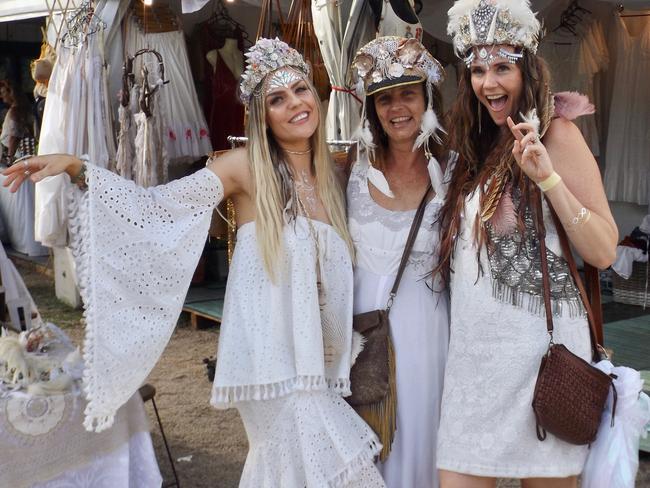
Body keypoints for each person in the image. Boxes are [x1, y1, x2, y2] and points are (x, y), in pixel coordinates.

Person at [4, 38, 385, 487]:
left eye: (301, 90)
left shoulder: (334, 179)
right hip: (269, 366)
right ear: (262, 116)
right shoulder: (242, 168)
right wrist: (77, 168)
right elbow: (155, 209)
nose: (295, 104)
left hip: (316, 368)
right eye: (277, 99)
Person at [436, 1, 618, 487]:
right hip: (475, 361)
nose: (488, 83)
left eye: (502, 67)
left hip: (545, 360)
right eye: (477, 69)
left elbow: (603, 250)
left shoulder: (557, 134)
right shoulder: (472, 145)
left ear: (528, 68)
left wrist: (549, 179)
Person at [347, 36, 451, 487]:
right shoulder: (348, 170)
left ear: (427, 97)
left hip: (429, 335)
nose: (396, 108)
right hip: (362, 337)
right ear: (372, 108)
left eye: (407, 93)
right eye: (384, 98)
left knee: (423, 435)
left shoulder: (456, 171)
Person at [0, 80, 33, 164]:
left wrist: (9, 157)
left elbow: (14, 135)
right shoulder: (18, 109)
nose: (2, 96)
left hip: (16, 153)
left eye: (3, 92)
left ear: (11, 93)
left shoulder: (15, 111)